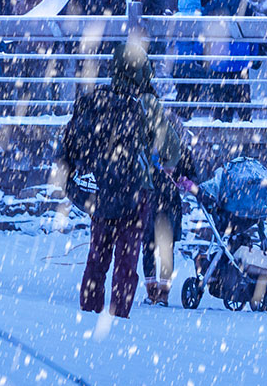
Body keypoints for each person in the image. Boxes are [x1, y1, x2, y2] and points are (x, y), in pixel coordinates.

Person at [58, 39, 166, 317]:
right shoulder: (144, 106)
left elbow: (71, 147)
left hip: (103, 190)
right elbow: (167, 149)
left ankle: (89, 310)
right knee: (126, 260)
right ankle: (119, 316)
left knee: (98, 254)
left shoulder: (96, 102)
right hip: (134, 191)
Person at [142, 99, 197, 303]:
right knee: (150, 247)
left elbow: (193, 177)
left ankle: (162, 293)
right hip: (151, 202)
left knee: (164, 248)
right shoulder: (148, 150)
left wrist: (185, 181)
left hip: (167, 205)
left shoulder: (181, 153)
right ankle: (152, 291)